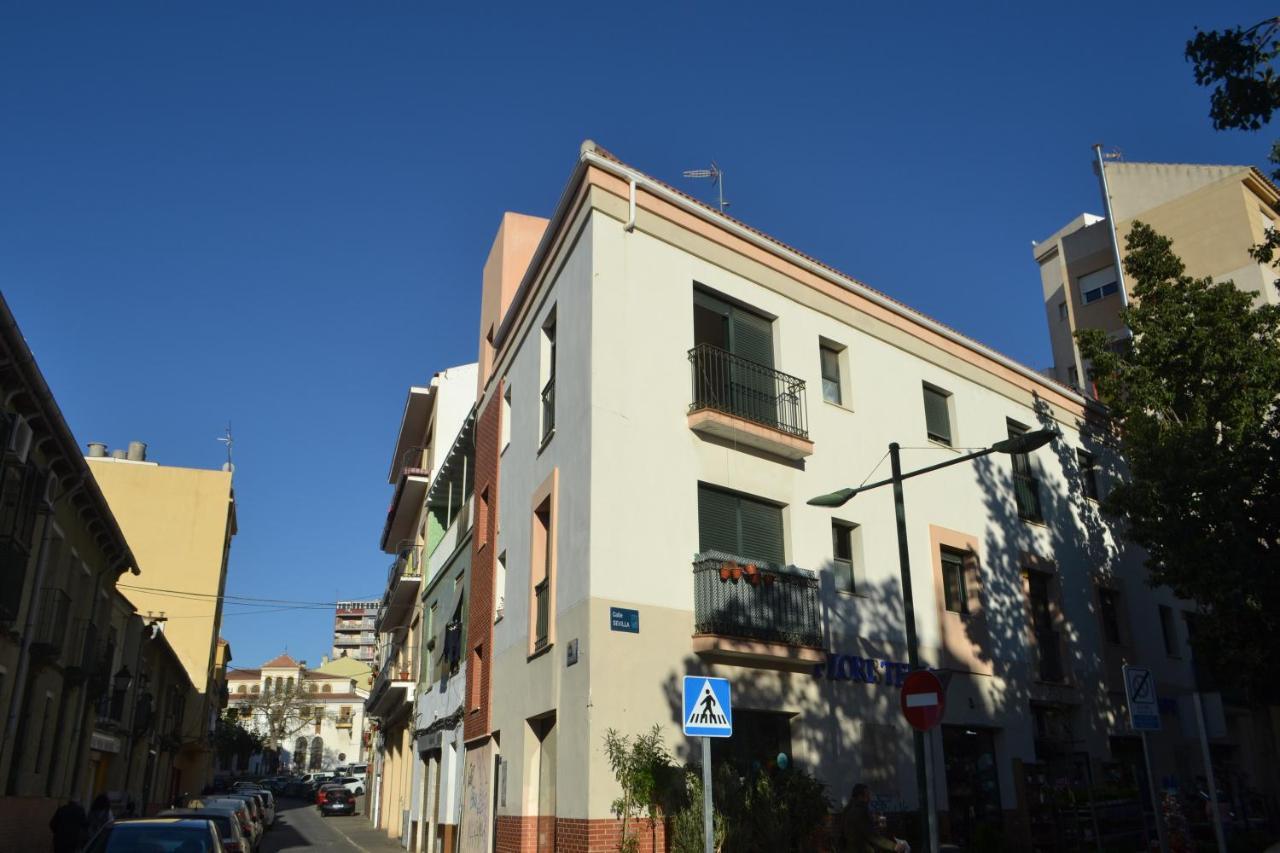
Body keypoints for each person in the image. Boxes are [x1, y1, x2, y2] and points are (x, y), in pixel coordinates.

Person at [839, 783, 909, 853]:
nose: (870, 798)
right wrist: (894, 846)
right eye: (867, 795)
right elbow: (873, 836)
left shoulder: (848, 809)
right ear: (860, 796)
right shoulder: (860, 811)